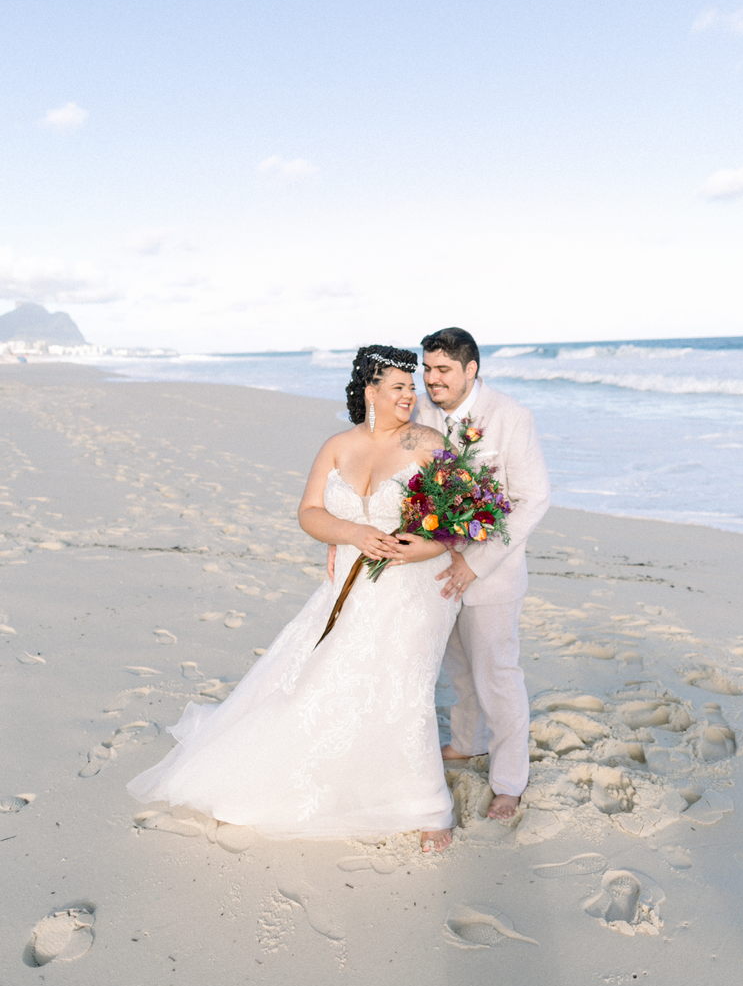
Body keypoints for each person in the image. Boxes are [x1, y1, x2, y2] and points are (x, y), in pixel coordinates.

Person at [128, 346, 457, 852]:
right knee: (322, 676)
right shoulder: (337, 446)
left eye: (412, 388)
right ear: (370, 391)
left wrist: (425, 548)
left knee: (403, 683)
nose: (409, 396)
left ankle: (426, 805)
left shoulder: (428, 442)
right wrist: (351, 532)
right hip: (349, 580)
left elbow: (455, 521)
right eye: (398, 387)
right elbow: (309, 512)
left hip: (415, 581)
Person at [415, 327, 550, 820]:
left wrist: (475, 562)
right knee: (458, 670)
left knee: (498, 676)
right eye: (427, 369)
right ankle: (467, 741)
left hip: (492, 574)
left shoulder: (511, 417)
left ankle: (510, 781)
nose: (432, 379)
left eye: (443, 370)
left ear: (471, 369)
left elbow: (533, 499)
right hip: (435, 570)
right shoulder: (420, 413)